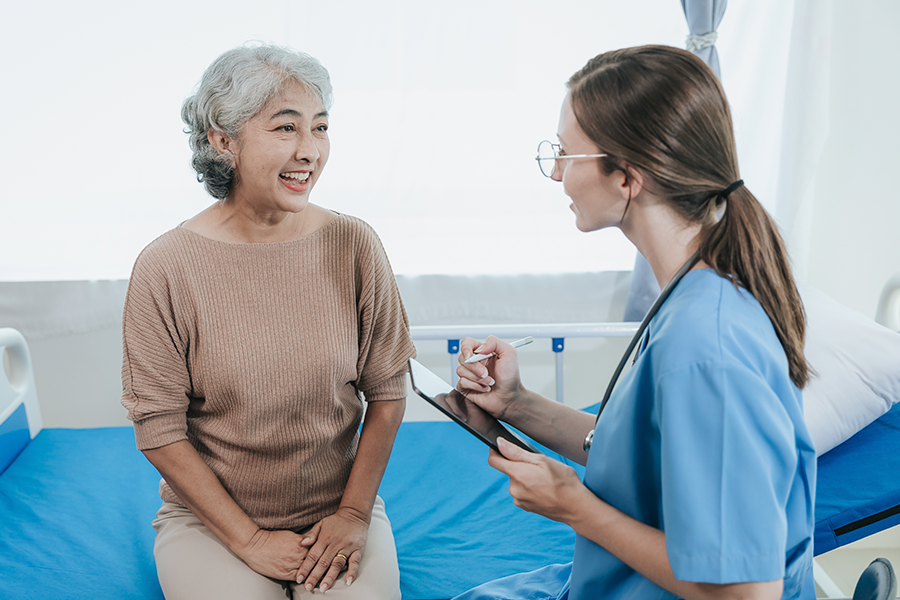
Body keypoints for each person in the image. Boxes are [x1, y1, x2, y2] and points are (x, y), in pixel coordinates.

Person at [453, 45, 816, 600]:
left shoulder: (707, 344)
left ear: (626, 177)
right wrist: (516, 403)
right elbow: (633, 456)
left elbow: (747, 592)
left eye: (565, 156)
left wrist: (575, 507)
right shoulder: (690, 293)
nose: (555, 174)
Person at [120, 44, 415, 600]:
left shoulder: (354, 244)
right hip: (211, 524)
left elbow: (388, 390)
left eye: (320, 128)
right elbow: (157, 428)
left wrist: (353, 514)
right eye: (286, 128)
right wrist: (249, 539)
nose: (310, 151)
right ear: (222, 139)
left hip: (338, 513)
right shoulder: (166, 266)